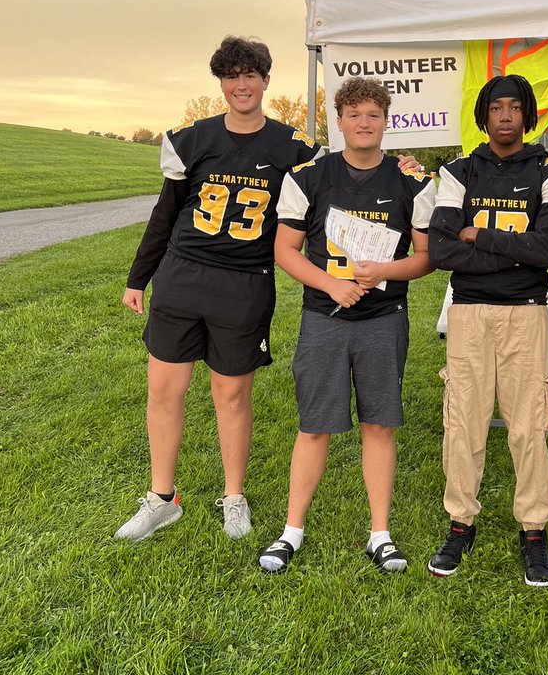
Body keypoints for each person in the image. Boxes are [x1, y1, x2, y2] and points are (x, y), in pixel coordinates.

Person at [115, 36, 323, 542]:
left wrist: (398, 173)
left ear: (266, 80)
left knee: (231, 395)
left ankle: (234, 495)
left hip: (245, 283)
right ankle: (162, 497)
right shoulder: (192, 139)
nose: (241, 84)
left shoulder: (293, 148)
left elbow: (321, 210)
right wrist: (138, 276)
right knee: (165, 390)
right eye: (232, 75)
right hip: (183, 275)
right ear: (221, 82)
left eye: (250, 74)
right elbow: (166, 213)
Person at [258, 76, 436, 575]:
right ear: (339, 122)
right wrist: (331, 285)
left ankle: (380, 534)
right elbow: (284, 250)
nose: (364, 123)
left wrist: (384, 270)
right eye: (354, 114)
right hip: (325, 317)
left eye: (373, 114)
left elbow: (426, 259)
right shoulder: (310, 176)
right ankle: (292, 529)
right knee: (314, 425)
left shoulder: (412, 182)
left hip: (383, 318)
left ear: (386, 121)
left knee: (379, 425)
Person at [426, 75, 548, 587]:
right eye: (496, 107)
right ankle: (460, 520)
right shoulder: (459, 170)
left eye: (515, 107)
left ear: (527, 115)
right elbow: (443, 251)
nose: (505, 116)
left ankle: (534, 529)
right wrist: (512, 249)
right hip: (469, 311)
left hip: (526, 312)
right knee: (462, 420)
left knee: (530, 425)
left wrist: (479, 235)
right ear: (483, 115)